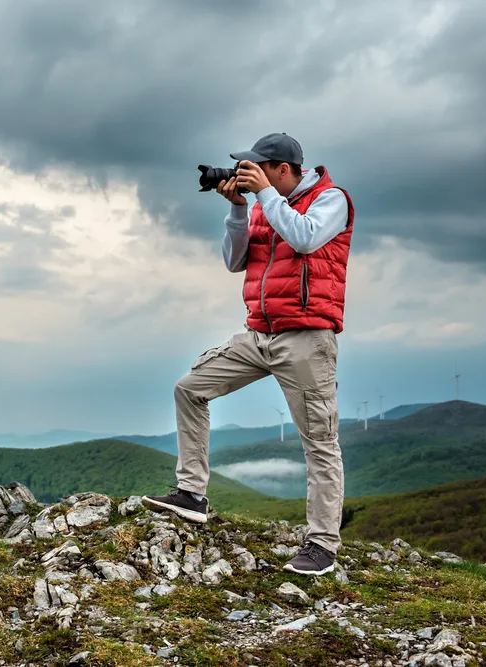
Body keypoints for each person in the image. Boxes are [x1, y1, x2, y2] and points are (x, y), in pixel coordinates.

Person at [141, 132, 355, 576]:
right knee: (190, 389)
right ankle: (192, 495)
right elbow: (235, 261)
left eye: (256, 168)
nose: (247, 174)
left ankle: (322, 544)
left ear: (282, 169)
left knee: (319, 441)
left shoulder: (330, 200)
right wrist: (239, 209)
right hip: (259, 333)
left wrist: (262, 197)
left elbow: (306, 240)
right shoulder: (260, 205)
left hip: (306, 337)